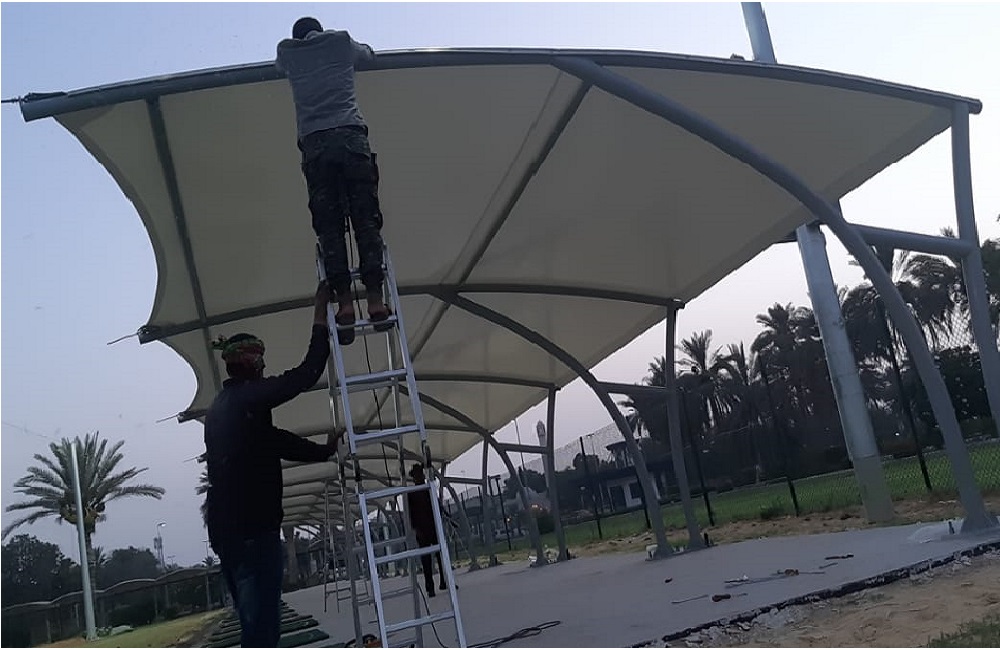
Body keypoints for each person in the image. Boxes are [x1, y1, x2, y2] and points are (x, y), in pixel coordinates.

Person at [204, 282, 338, 647]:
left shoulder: (223, 409)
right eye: (260, 361)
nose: (264, 369)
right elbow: (306, 374)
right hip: (251, 533)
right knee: (262, 629)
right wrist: (320, 314)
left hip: (230, 532)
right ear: (249, 363)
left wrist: (322, 451)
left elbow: (275, 442)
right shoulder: (246, 398)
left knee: (256, 626)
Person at [276, 17, 389, 346]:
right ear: (321, 29)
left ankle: (345, 305)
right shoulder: (340, 41)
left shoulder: (287, 51)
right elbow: (368, 55)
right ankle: (375, 300)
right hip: (351, 139)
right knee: (365, 219)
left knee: (330, 227)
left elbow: (280, 66)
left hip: (315, 147)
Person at [406, 463, 448, 597]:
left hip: (433, 527)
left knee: (440, 556)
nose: (420, 477)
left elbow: (437, 506)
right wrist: (416, 529)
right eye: (417, 475)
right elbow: (411, 514)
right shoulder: (414, 493)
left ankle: (443, 580)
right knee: (427, 559)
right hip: (423, 529)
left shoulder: (428, 489)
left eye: (420, 474)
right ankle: (430, 587)